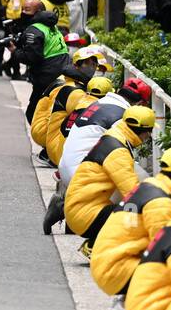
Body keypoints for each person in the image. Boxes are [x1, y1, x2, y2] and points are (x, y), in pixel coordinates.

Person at [44, 77, 152, 234]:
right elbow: (128, 181)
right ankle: (71, 212)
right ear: (141, 104)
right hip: (82, 176)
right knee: (139, 188)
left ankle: (68, 210)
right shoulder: (123, 119)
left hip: (68, 167)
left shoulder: (100, 102)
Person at [90, 148, 171, 310]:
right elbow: (166, 248)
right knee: (169, 267)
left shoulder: (149, 186)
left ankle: (128, 300)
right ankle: (132, 307)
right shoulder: (160, 203)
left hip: (108, 260)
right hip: (116, 268)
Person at [65, 106, 157, 257]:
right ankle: (95, 245)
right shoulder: (118, 152)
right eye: (149, 132)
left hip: (82, 207)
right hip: (84, 213)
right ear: (144, 131)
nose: (149, 136)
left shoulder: (115, 137)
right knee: (133, 213)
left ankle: (99, 241)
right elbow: (133, 192)